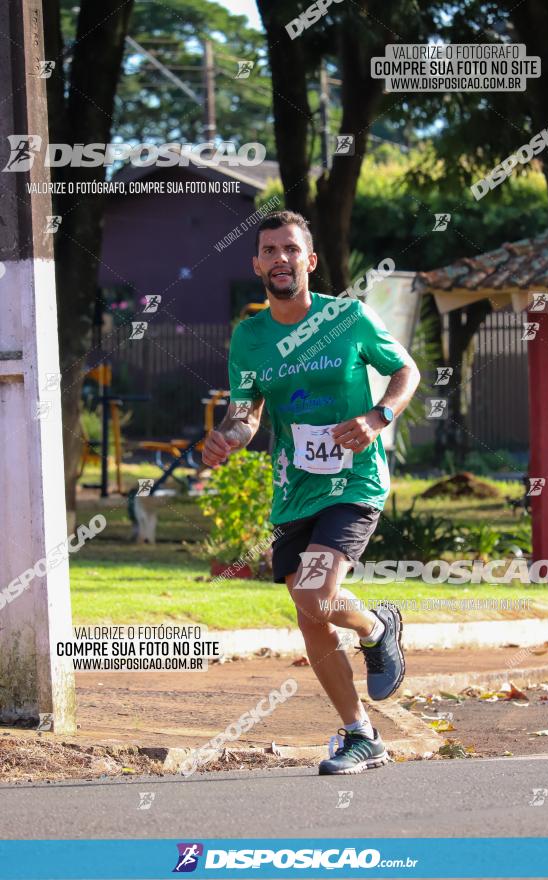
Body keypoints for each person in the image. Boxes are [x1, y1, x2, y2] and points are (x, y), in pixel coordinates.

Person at [202, 211, 420, 775]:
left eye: (291, 249)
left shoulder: (347, 317)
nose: (281, 258)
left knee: (317, 593)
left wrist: (377, 417)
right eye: (270, 250)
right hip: (293, 490)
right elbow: (245, 413)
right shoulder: (249, 338)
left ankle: (377, 629)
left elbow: (406, 372)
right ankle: (360, 735)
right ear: (256, 264)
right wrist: (227, 437)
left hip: (354, 482)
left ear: (310, 260)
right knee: (310, 616)